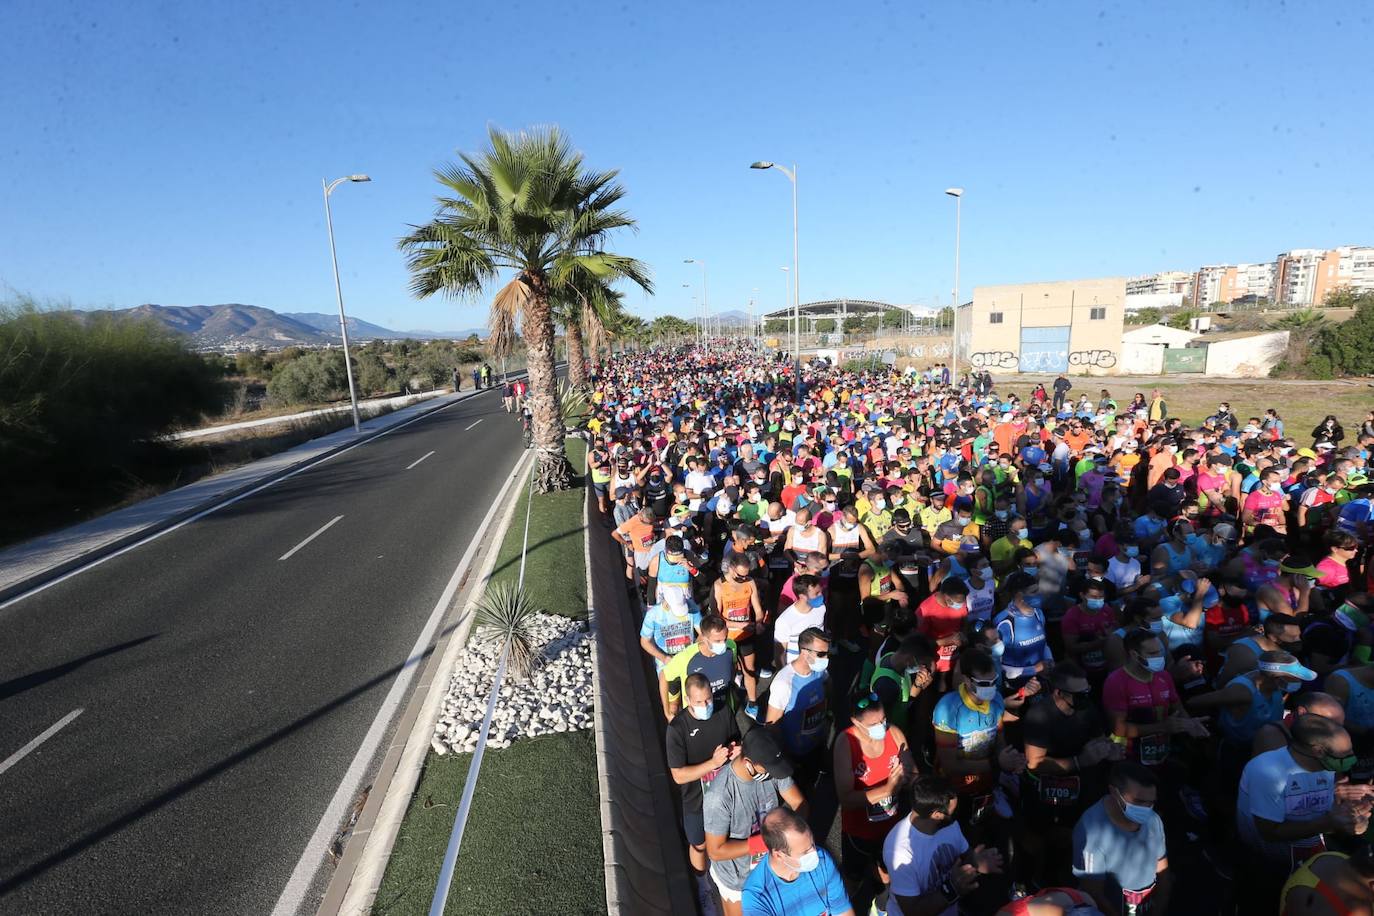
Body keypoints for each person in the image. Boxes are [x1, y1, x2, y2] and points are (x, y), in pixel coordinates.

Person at [704, 727, 807, 916]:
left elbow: (798, 802)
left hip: (770, 867)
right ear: (749, 763)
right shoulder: (719, 797)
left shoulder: (771, 768)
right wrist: (766, 841)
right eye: (769, 770)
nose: (774, 775)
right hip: (737, 879)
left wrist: (794, 835)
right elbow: (715, 851)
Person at [833, 693, 915, 914]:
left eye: (883, 720)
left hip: (891, 828)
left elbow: (913, 772)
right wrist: (887, 789)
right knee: (852, 879)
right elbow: (847, 799)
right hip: (859, 833)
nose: (882, 726)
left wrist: (910, 778)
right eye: (874, 724)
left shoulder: (894, 734)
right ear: (855, 722)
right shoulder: (845, 744)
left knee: (887, 874)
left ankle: (879, 907)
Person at [884, 774, 1005, 916]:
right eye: (952, 810)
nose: (955, 814)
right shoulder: (900, 852)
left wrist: (975, 862)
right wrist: (951, 889)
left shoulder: (949, 824)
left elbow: (965, 856)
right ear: (936, 815)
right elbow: (912, 911)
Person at [1071, 761, 1172, 915]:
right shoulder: (1091, 832)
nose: (1146, 809)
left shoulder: (1153, 820)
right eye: (1138, 801)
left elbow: (1163, 871)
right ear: (1114, 792)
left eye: (1151, 802)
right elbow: (1094, 893)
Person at [667, 672, 742, 875]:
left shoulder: (723, 711)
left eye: (708, 698)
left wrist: (736, 750)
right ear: (688, 700)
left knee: (728, 837)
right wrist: (713, 763)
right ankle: (702, 883)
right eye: (699, 701)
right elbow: (678, 775)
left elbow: (736, 740)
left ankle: (728, 873)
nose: (706, 704)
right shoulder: (677, 729)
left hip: (727, 791)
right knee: (699, 844)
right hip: (696, 799)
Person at [741, 807, 854, 916]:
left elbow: (842, 910)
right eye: (805, 852)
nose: (814, 852)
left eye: (812, 844)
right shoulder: (756, 897)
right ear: (779, 855)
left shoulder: (823, 859)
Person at [765, 627, 833, 789]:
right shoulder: (784, 683)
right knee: (803, 790)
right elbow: (771, 725)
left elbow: (828, 686)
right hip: (795, 753)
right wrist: (784, 756)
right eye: (821, 654)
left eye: (827, 653)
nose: (826, 658)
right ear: (804, 652)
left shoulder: (820, 671)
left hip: (817, 742)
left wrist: (828, 713)